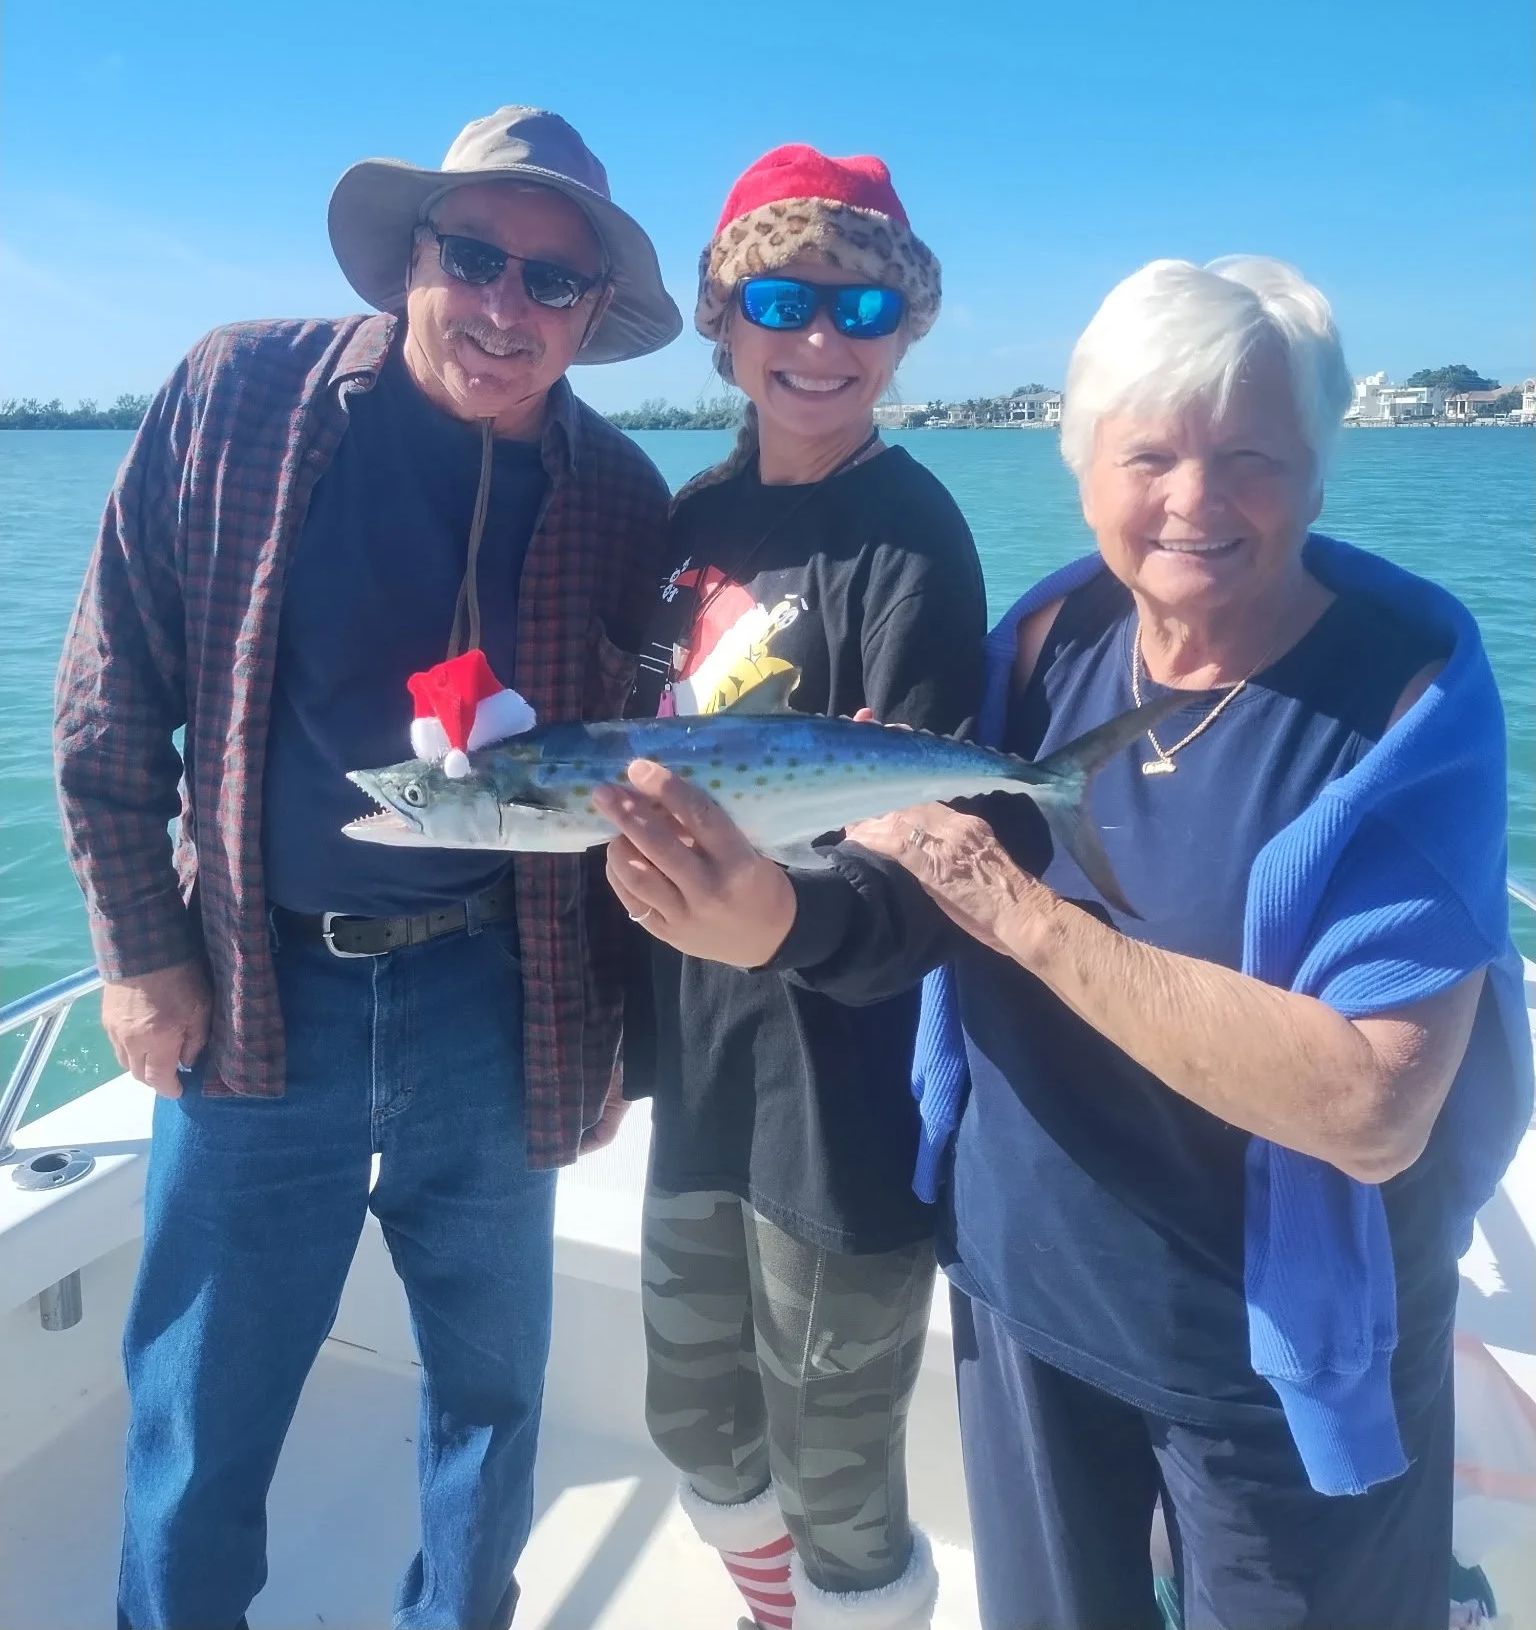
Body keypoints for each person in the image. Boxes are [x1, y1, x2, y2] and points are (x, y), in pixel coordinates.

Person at [596, 256, 1534, 1630]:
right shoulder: (1042, 640)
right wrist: (784, 897)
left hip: (1264, 1363)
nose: (1195, 503)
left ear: (1322, 470)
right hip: (1026, 1307)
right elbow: (890, 871)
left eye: (1252, 457)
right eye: (1148, 454)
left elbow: (1372, 1104)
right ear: (1081, 465)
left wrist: (1016, 906)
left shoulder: (1397, 696)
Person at [55, 106, 681, 1630]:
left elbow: (627, 790)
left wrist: (604, 1031)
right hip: (258, 996)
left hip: (500, 997)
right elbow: (109, 685)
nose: (505, 309)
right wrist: (143, 952)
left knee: (492, 1404)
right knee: (200, 1422)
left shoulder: (619, 496)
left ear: (593, 319)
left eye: (553, 285)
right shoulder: (237, 395)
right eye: (478, 258)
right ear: (415, 257)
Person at [622, 145, 987, 1629]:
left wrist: (787, 918)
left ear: (907, 332)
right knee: (695, 1428)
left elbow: (934, 847)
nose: (823, 341)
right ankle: (770, 1610)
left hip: (841, 1095)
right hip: (698, 1070)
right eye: (784, 299)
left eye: (866, 308)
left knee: (839, 1480)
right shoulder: (691, 521)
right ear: (725, 322)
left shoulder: (916, 540)